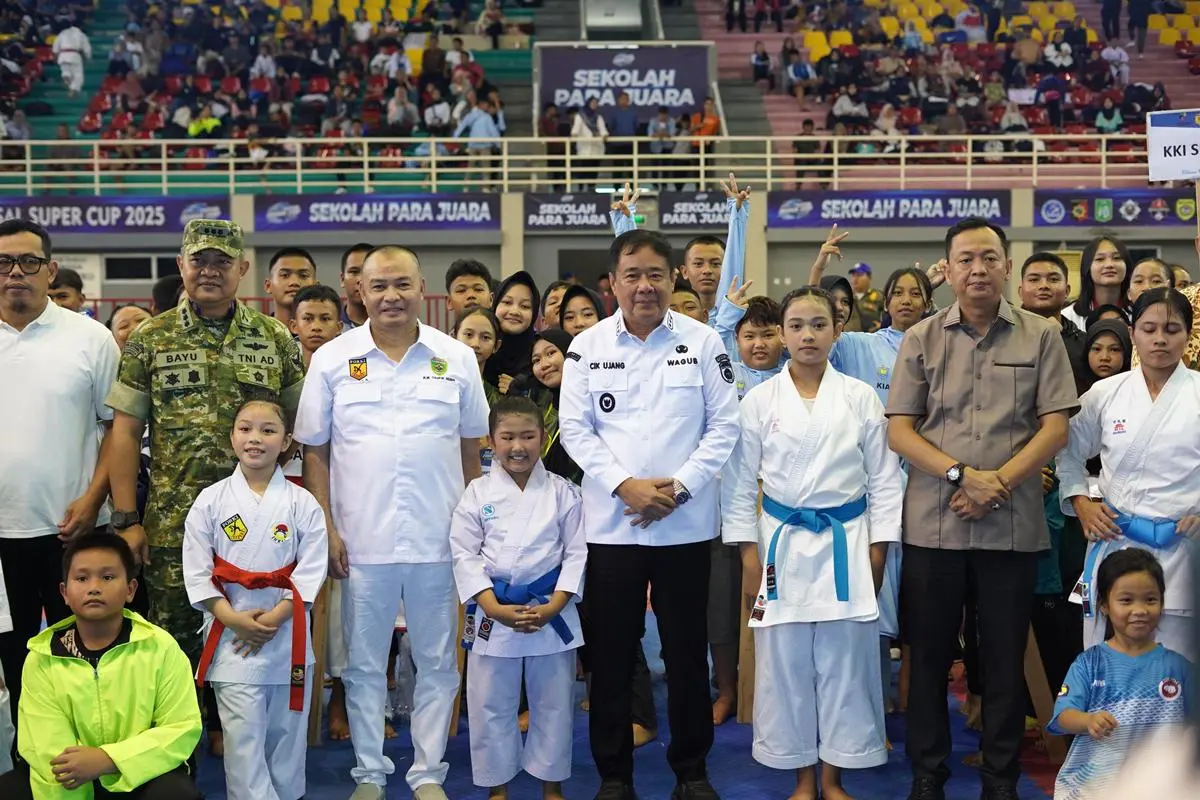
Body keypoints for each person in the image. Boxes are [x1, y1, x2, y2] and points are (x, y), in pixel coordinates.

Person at [886, 218, 1079, 800]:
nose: (977, 270)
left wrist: (997, 482)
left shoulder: (1041, 335)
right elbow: (899, 429)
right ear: (948, 268)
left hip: (1010, 526)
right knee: (929, 660)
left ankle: (1000, 776)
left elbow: (1055, 427)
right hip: (934, 526)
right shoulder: (921, 336)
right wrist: (961, 475)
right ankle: (929, 773)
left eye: (988, 258)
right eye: (965, 259)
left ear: (1006, 267)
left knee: (1000, 661)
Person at [294, 245, 489, 800]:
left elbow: (470, 451)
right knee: (360, 666)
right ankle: (369, 774)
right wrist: (327, 527)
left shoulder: (456, 357)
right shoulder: (332, 359)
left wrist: (474, 531)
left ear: (421, 287)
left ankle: (428, 773)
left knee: (437, 663)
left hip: (439, 538)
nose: (390, 296)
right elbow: (315, 452)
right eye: (378, 286)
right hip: (361, 541)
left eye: (401, 284)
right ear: (360, 292)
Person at [105, 219, 306, 758]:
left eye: (222, 262)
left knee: (251, 639)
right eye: (200, 260)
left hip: (260, 533)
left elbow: (298, 422)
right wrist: (126, 519)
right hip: (173, 523)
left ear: (243, 269)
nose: (210, 271)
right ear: (182, 266)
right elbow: (124, 433)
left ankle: (243, 744)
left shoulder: (275, 338)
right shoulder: (151, 337)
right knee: (173, 644)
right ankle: (176, 753)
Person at [559, 228, 740, 800]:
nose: (644, 286)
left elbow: (724, 426)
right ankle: (615, 774)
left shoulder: (704, 341)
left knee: (688, 654)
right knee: (611, 657)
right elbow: (575, 431)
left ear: (673, 279)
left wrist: (678, 489)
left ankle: (692, 771)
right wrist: (626, 488)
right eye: (631, 275)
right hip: (613, 529)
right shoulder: (587, 347)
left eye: (655, 275)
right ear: (612, 283)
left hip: (685, 528)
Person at [723, 285, 903, 800]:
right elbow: (739, 484)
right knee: (785, 664)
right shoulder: (759, 401)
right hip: (780, 543)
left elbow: (886, 480)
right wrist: (748, 553)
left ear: (836, 331)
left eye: (818, 325)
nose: (807, 335)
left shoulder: (861, 397)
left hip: (847, 538)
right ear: (782, 334)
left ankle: (833, 776)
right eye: (797, 325)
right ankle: (802, 778)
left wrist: (878, 550)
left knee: (847, 663)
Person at [0, 219, 121, 730]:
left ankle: (86, 763)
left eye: (29, 262)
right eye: (4, 263)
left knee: (81, 664)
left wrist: (94, 499)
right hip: (2, 538)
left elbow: (119, 430)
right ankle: (24, 766)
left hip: (70, 533)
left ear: (50, 271)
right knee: (15, 663)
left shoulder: (90, 339)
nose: (15, 274)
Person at [183, 400, 328, 800]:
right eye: (245, 429)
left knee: (287, 739)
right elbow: (196, 571)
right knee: (243, 742)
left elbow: (312, 568)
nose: (255, 438)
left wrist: (276, 616)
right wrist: (234, 619)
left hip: (288, 635)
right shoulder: (211, 500)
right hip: (231, 636)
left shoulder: (302, 503)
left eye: (267, 430)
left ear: (287, 442)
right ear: (232, 437)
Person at [450, 396, 587, 800]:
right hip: (494, 609)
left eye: (528, 436)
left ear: (543, 439)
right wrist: (491, 604)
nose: (518, 446)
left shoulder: (565, 492)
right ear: (491, 440)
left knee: (555, 702)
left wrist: (556, 603)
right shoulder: (476, 493)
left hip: (550, 608)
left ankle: (552, 785)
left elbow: (577, 552)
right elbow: (463, 552)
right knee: (490, 703)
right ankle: (497, 787)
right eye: (507, 437)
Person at [0, 533, 203, 800]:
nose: (94, 587)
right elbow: (46, 743)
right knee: (10, 790)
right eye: (82, 578)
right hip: (70, 779)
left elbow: (180, 728)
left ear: (130, 590)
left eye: (107, 577)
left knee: (177, 794)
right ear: (64, 592)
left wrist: (110, 759)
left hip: (139, 771)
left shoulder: (160, 647)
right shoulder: (43, 656)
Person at [1057, 288, 1200, 661]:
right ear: (1133, 331)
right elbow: (1067, 451)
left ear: (1188, 333)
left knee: (1179, 661)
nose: (1160, 339)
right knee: (1109, 654)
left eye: (1172, 329)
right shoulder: (1105, 393)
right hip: (1116, 538)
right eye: (1149, 328)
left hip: (1183, 544)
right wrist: (1081, 503)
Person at [1048, 549, 1193, 800]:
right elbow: (1062, 717)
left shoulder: (1179, 668)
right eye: (1126, 600)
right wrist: (1088, 721)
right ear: (1104, 605)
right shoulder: (1088, 664)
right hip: (1096, 788)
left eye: (1150, 600)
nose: (1140, 610)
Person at [1062, 236, 1131, 332]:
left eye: (1117, 258)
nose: (1109, 265)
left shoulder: (1138, 314)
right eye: (1100, 259)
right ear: (1087, 268)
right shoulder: (1067, 317)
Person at [486, 271, 539, 395]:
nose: (515, 311)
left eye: (525, 306)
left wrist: (523, 394)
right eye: (507, 302)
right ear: (495, 304)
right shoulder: (480, 350)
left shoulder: (541, 357)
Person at [290, 285, 344, 369]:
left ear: (339, 327)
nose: (316, 327)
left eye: (325, 319)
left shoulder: (349, 367)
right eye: (307, 319)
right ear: (294, 326)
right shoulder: (281, 370)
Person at [263, 248, 318, 329]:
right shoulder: (253, 336)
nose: (294, 282)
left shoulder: (331, 339)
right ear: (268, 286)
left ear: (316, 286)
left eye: (303, 276)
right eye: (285, 275)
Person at [340, 243, 372, 329]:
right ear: (342, 279)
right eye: (354, 272)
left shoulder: (396, 326)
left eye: (368, 272)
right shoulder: (329, 324)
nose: (360, 280)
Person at [53, 23, 91, 96]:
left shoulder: (63, 33)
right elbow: (87, 49)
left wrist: (55, 58)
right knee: (78, 76)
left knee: (65, 70)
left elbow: (55, 47)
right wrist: (88, 58)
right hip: (74, 55)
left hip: (63, 55)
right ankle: (72, 91)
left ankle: (66, 77)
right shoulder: (81, 34)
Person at [849, 262, 884, 332]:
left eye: (859, 275)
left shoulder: (878, 296)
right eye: (853, 275)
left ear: (869, 278)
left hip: (871, 337)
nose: (855, 278)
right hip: (850, 338)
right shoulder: (846, 297)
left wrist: (883, 326)